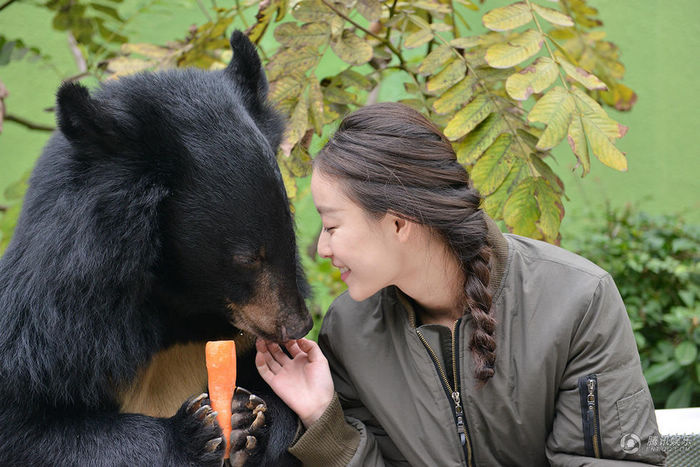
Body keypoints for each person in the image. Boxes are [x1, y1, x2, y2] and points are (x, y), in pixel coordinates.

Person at [254, 102, 666, 466]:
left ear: (398, 223)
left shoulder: (577, 300)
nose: (322, 248)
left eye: (331, 225)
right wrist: (322, 416)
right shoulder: (350, 330)